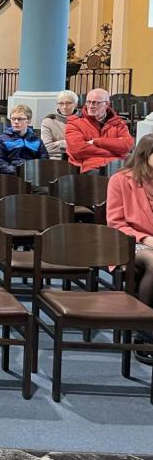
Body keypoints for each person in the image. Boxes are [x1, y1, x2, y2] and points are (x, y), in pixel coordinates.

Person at [106, 134, 153, 365]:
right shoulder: (120, 180)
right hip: (129, 242)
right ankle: (144, 332)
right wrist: (145, 238)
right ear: (145, 154)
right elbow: (115, 223)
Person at [65, 88, 134, 173]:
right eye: (88, 102)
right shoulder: (74, 123)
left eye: (95, 103)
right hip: (89, 167)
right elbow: (77, 149)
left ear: (107, 104)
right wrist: (114, 151)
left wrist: (97, 141)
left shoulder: (118, 123)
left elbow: (127, 145)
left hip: (116, 166)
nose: (90, 106)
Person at [0, 104, 49, 174]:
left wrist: (33, 171)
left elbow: (44, 159)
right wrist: (16, 170)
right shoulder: (2, 139)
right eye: (13, 119)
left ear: (28, 121)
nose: (16, 122)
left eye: (20, 119)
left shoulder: (36, 140)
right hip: (11, 175)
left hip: (33, 174)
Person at [41, 90, 79, 160]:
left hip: (79, 160)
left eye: (68, 103)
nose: (64, 107)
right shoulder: (48, 121)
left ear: (75, 104)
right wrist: (74, 144)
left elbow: (88, 146)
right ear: (57, 105)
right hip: (56, 161)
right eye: (61, 103)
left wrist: (60, 143)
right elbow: (46, 147)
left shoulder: (84, 120)